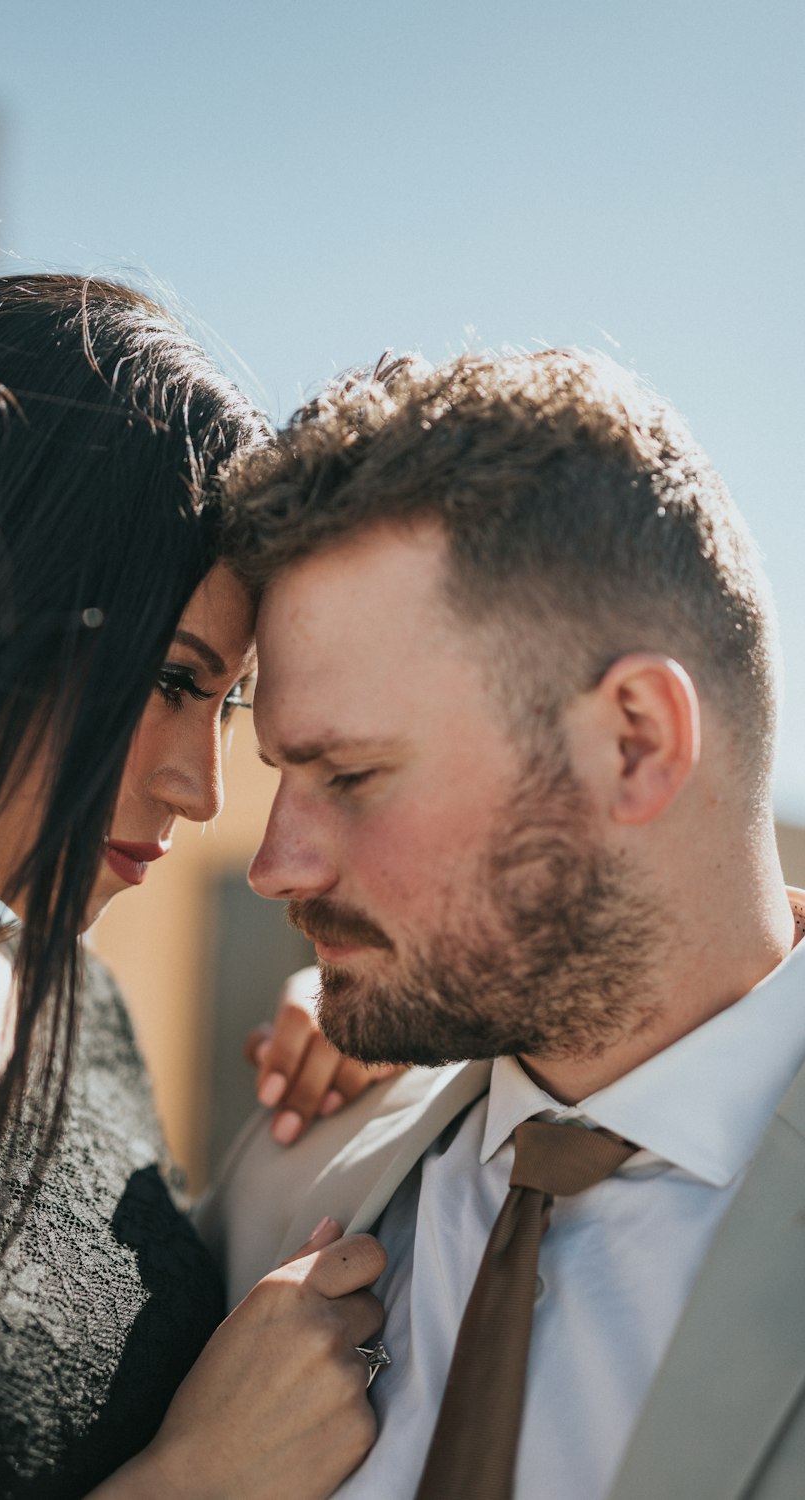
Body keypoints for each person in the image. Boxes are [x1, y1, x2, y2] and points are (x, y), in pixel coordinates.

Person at [0, 274, 388, 1500]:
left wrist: (371, 1060)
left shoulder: (80, 1012)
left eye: (226, 704)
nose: (201, 789)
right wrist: (195, 1481)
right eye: (170, 682)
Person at [203, 348, 805, 1499]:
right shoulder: (285, 1177)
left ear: (632, 741)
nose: (277, 866)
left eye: (354, 774)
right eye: (281, 770)